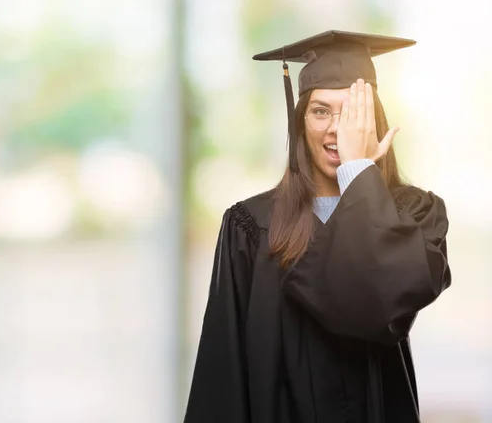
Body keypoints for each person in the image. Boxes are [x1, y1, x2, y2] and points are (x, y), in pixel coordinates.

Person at [184, 30, 451, 423]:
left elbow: (380, 306)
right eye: (321, 111)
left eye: (351, 114)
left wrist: (358, 172)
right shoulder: (250, 225)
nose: (335, 130)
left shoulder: (415, 213)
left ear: (373, 122)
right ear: (300, 121)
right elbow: (222, 367)